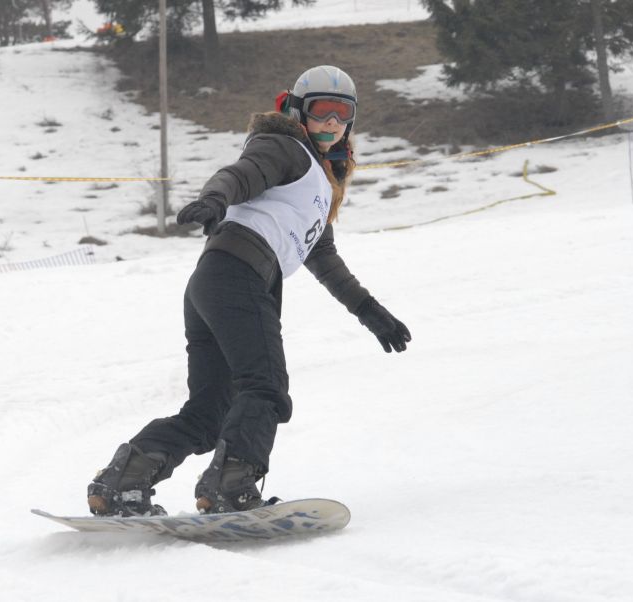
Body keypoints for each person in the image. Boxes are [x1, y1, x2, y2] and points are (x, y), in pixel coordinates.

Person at [87, 65, 412, 516]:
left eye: (342, 114)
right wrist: (215, 200)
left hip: (214, 286)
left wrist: (370, 311)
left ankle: (125, 479)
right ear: (299, 110)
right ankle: (231, 484)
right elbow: (241, 173)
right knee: (266, 386)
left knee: (210, 414)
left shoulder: (318, 185)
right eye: (322, 111)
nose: (332, 124)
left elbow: (325, 259)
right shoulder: (285, 147)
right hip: (238, 277)